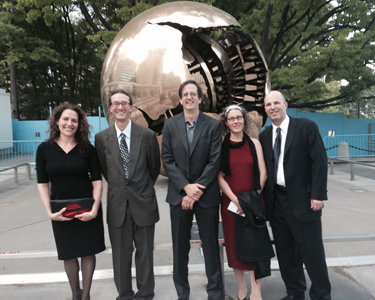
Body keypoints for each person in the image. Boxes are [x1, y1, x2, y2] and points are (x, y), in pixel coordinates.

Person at [259, 91, 331, 300]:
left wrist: (318, 195)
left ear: (285, 105)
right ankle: (295, 293)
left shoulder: (306, 127)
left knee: (312, 253)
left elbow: (319, 162)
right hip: (277, 203)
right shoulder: (264, 136)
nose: (272, 107)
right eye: (268, 104)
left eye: (276, 103)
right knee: (286, 254)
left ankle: (321, 295)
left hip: (304, 202)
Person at [161, 80, 224, 300]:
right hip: (179, 196)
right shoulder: (170, 126)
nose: (189, 97)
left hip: (206, 197)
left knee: (210, 247)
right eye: (185, 94)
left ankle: (215, 293)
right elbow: (167, 161)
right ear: (180, 99)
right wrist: (186, 188)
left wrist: (196, 191)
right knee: (180, 250)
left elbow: (215, 160)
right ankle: (182, 294)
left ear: (199, 99)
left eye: (193, 94)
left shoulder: (213, 125)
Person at [95, 90, 160, 300]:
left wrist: (140, 189)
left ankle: (145, 294)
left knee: (145, 255)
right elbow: (105, 170)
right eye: (115, 103)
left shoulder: (148, 136)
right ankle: (124, 295)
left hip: (144, 204)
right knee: (120, 256)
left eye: (124, 103)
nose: (120, 107)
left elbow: (154, 169)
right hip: (117, 206)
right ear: (111, 108)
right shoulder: (101, 139)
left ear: (131, 107)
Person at [36, 103, 105, 300]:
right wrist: (49, 212)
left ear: (79, 124)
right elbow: (42, 184)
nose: (69, 123)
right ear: (57, 121)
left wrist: (94, 209)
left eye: (74, 120)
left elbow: (97, 181)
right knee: (68, 254)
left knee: (88, 252)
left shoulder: (88, 149)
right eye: (65, 119)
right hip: (61, 211)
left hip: (87, 209)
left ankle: (86, 296)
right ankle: (76, 294)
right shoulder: (44, 150)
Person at [218, 105, 274, 300]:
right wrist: (236, 200)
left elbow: (263, 173)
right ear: (226, 122)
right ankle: (242, 289)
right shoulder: (221, 146)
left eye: (239, 117)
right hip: (231, 205)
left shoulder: (254, 143)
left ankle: (256, 292)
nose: (236, 121)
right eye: (231, 118)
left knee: (255, 247)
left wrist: (250, 199)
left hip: (253, 203)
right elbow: (220, 177)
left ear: (244, 119)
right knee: (235, 249)